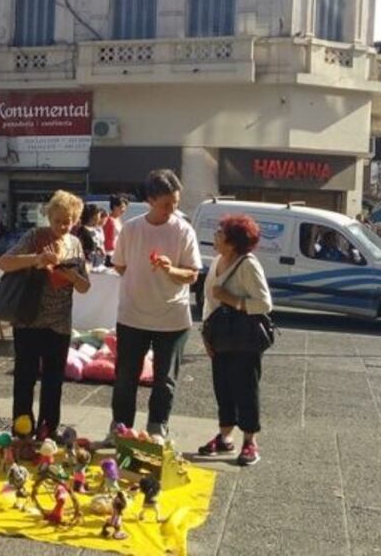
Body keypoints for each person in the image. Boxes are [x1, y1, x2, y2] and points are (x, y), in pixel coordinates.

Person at [111, 169, 201, 444]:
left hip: (172, 317)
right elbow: (119, 265)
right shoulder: (132, 228)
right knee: (126, 377)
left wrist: (170, 269)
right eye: (166, 204)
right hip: (132, 315)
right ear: (150, 200)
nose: (171, 209)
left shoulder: (183, 229)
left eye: (175, 203)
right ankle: (120, 428)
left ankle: (157, 428)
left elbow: (193, 274)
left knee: (165, 380)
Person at [0, 190, 90, 441]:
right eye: (58, 220)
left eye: (68, 221)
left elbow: (84, 286)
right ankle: (22, 428)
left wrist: (71, 275)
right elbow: (4, 263)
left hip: (59, 323)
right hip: (28, 318)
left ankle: (49, 428)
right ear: (48, 217)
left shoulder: (75, 244)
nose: (62, 226)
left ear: (76, 220)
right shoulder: (35, 236)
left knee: (54, 381)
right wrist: (36, 258)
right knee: (24, 378)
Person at [199, 214, 273, 467]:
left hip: (244, 338)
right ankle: (224, 437)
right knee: (223, 387)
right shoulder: (218, 260)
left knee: (246, 389)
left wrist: (231, 299)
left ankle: (250, 441)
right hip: (220, 335)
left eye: (220, 233)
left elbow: (265, 303)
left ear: (232, 241)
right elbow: (210, 300)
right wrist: (205, 334)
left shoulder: (248, 265)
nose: (215, 236)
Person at [102, 195, 129, 266]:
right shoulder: (108, 220)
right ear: (114, 207)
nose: (123, 209)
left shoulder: (118, 219)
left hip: (116, 252)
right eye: (121, 207)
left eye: (125, 207)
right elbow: (104, 237)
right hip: (109, 252)